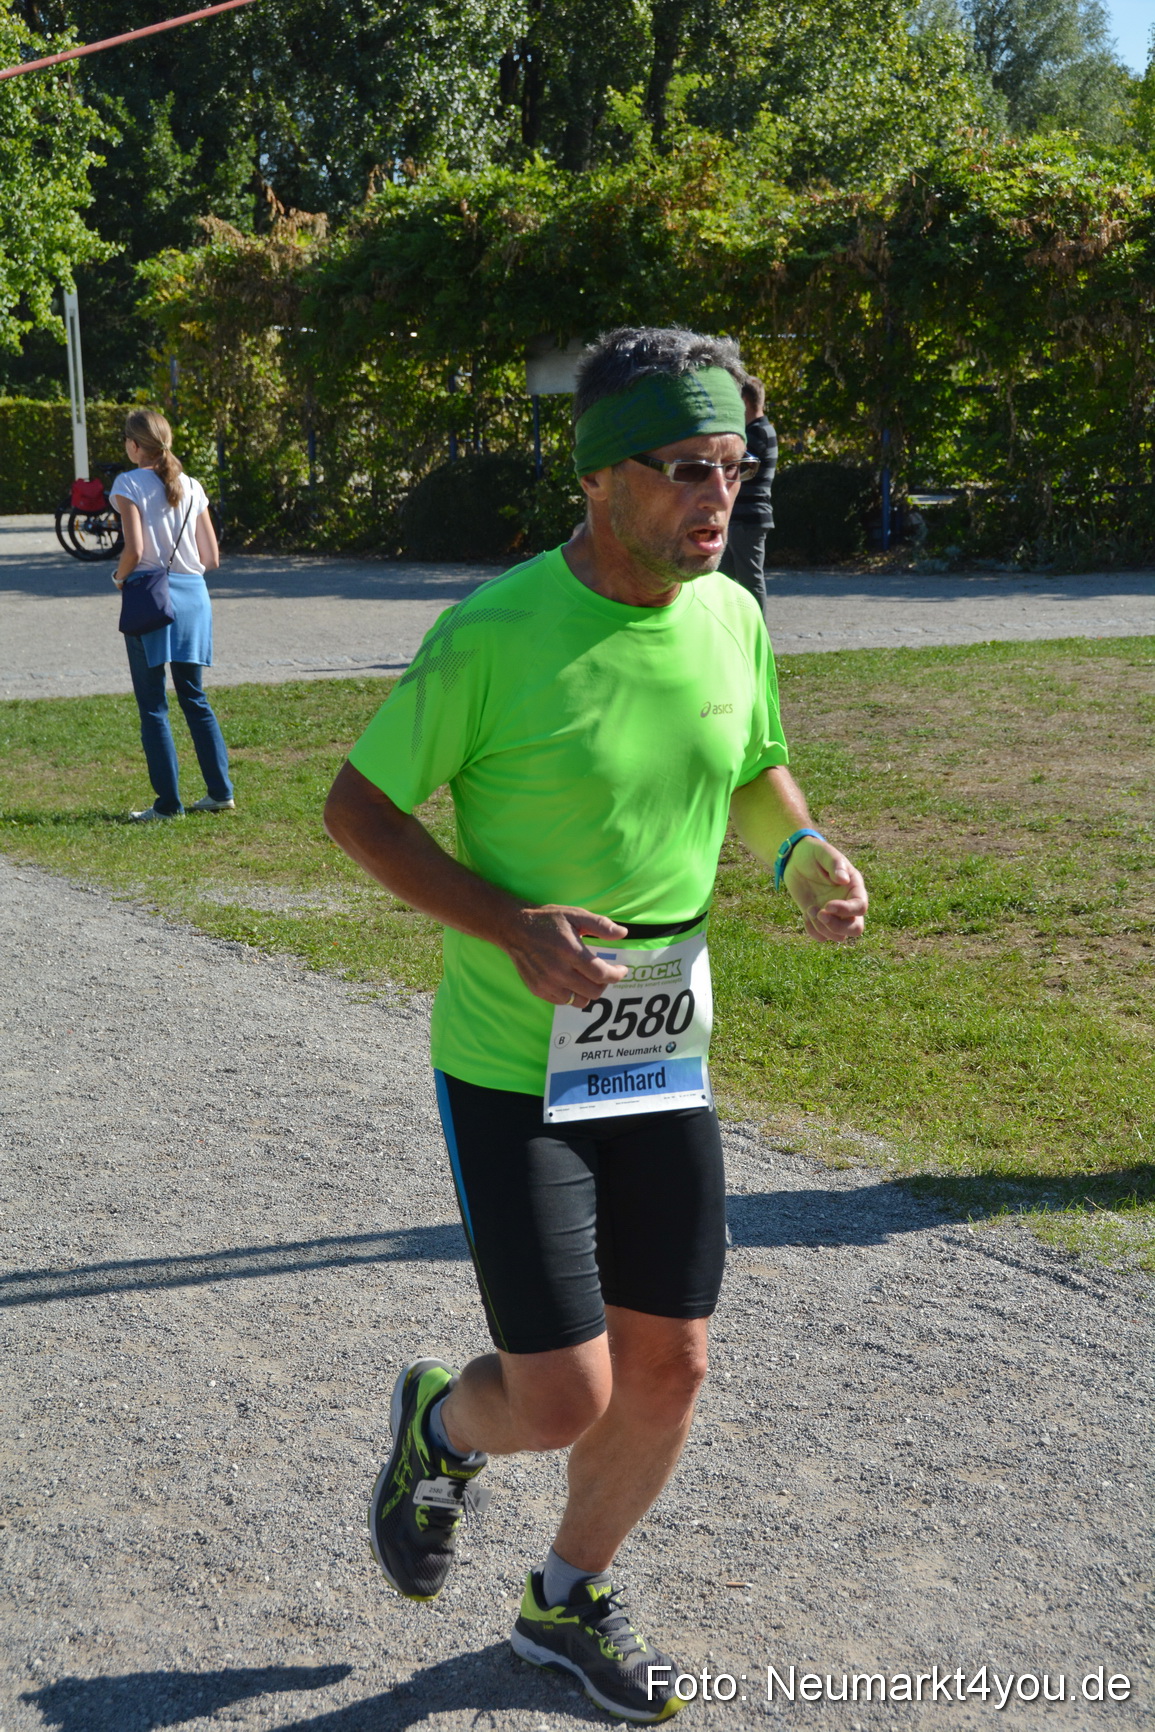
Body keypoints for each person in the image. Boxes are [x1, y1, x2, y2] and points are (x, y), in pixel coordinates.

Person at [324, 326, 866, 1725]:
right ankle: (442, 1430)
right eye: (687, 468)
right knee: (561, 1395)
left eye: (735, 470)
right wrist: (507, 925)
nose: (716, 499)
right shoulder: (496, 634)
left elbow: (753, 768)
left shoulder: (730, 613)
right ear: (597, 477)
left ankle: (564, 1599)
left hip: (658, 1055)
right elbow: (358, 812)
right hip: (513, 1066)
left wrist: (797, 858)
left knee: (672, 1362)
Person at [109, 409, 235, 822]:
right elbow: (211, 557)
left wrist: (118, 577)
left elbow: (134, 550)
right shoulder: (193, 486)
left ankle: (167, 805)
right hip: (194, 598)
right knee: (194, 697)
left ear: (133, 445)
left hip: (151, 598)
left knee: (153, 704)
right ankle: (219, 792)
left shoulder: (128, 483)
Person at [718, 374, 777, 617]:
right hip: (742, 519)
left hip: (748, 519)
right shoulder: (759, 430)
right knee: (724, 579)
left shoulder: (756, 434)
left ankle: (757, 632)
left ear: (743, 401)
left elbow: (728, 462)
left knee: (750, 580)